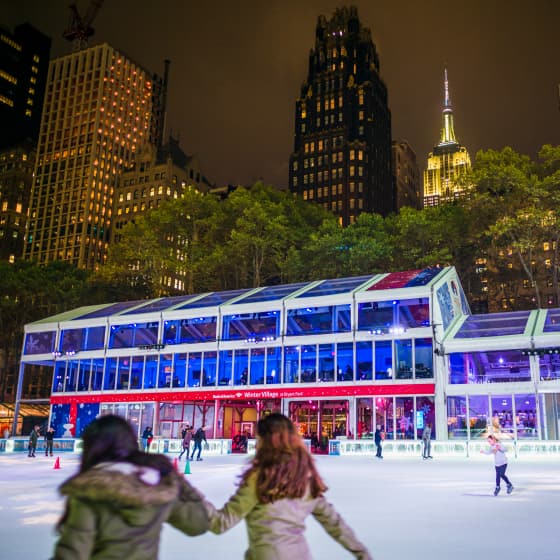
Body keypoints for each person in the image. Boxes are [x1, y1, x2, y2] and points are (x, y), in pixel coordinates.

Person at [205, 413, 372, 560]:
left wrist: (183, 493)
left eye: (259, 439)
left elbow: (221, 522)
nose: (256, 445)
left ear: (268, 442)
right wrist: (362, 553)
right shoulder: (304, 479)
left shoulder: (261, 479)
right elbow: (334, 523)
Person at [52, 415, 210, 559]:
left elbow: (71, 553)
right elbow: (198, 524)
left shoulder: (90, 492)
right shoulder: (154, 487)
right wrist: (178, 481)